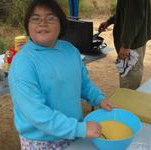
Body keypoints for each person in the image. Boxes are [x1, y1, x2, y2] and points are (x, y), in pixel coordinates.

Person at [8, 0, 117, 149]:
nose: (42, 23)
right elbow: (36, 113)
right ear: (28, 25)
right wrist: (80, 128)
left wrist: (99, 98)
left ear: (61, 24)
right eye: (35, 18)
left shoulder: (70, 50)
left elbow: (83, 83)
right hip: (43, 141)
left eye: (50, 17)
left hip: (73, 132)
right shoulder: (23, 63)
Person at [98, 0, 151, 89]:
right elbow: (127, 11)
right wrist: (110, 21)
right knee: (130, 75)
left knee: (129, 79)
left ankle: (128, 101)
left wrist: (126, 45)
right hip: (133, 40)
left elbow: (134, 18)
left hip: (132, 44)